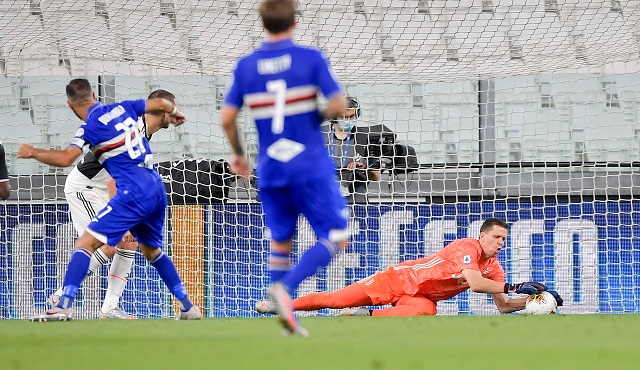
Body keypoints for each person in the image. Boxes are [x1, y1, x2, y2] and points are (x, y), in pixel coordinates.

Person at [17, 78, 201, 321]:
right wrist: (176, 112)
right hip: (93, 187)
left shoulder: (97, 126)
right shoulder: (126, 112)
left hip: (126, 190)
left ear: (70, 105)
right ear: (94, 94)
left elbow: (68, 159)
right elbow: (162, 103)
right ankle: (187, 307)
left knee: (92, 244)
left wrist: (32, 152)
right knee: (135, 247)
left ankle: (68, 304)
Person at [221, 0, 350, 336]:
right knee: (337, 236)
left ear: (262, 24)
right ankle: (285, 288)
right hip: (308, 165)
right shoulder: (310, 58)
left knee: (281, 241)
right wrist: (313, 116)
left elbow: (227, 117)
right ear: (295, 22)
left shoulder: (246, 66)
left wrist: (238, 154)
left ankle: (286, 319)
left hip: (271, 167)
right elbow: (338, 104)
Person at [47, 89, 180, 319]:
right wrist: (122, 217)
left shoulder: (143, 132)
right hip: (84, 188)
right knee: (108, 243)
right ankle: (61, 296)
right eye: (171, 109)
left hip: (102, 190)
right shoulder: (135, 130)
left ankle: (109, 307)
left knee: (129, 243)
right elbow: (113, 180)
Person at [256, 218, 564, 317]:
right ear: (482, 235)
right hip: (397, 279)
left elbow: (504, 306)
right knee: (335, 300)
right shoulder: (466, 247)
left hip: (422, 297)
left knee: (427, 311)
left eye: (503, 239)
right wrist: (516, 286)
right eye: (496, 237)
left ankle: (366, 316)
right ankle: (280, 305)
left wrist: (534, 300)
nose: (500, 242)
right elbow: (476, 283)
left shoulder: (495, 269)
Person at [323, 96, 380, 203]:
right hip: (325, 199)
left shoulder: (363, 137)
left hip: (356, 202)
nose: (348, 120)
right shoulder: (320, 135)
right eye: (344, 117)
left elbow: (376, 176)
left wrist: (363, 166)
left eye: (352, 116)